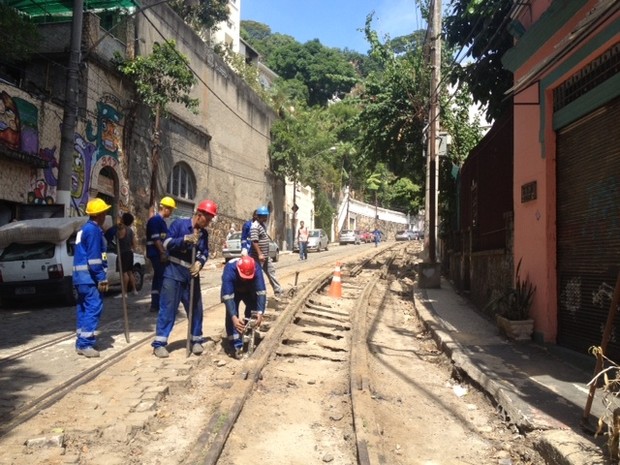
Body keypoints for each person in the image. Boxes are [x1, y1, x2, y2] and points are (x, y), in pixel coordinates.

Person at [151, 199, 217, 358]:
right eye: (207, 219)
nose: (208, 223)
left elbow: (204, 252)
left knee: (196, 308)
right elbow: (166, 243)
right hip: (173, 273)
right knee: (168, 309)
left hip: (191, 275)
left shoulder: (204, 234)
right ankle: (159, 343)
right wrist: (185, 240)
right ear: (199, 215)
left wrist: (199, 263)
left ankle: (196, 340)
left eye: (210, 220)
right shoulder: (179, 225)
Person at [73, 198, 112, 358]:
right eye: (104, 212)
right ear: (100, 214)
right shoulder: (94, 231)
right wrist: (101, 277)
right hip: (90, 279)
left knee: (83, 308)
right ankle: (86, 343)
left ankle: (81, 340)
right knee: (93, 308)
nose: (105, 215)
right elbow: (94, 258)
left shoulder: (84, 229)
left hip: (79, 278)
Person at [221, 255, 266, 359]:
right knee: (232, 315)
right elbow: (228, 297)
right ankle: (235, 345)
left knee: (253, 311)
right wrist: (234, 317)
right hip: (233, 290)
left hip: (249, 290)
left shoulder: (256, 268)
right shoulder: (229, 270)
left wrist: (260, 312)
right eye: (243, 277)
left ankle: (249, 338)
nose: (245, 279)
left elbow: (261, 292)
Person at [146, 197, 176, 312]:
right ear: (165, 208)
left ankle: (155, 304)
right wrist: (162, 253)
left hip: (157, 253)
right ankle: (160, 304)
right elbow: (156, 239)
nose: (172, 212)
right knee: (163, 278)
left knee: (158, 278)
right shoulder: (155, 221)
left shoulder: (161, 222)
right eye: (171, 209)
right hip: (156, 253)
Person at [249, 205, 284, 297]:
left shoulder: (262, 225)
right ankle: (256, 294)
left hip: (265, 256)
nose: (266, 218)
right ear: (259, 216)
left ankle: (278, 290)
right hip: (258, 257)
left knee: (271, 271)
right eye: (264, 216)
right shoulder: (255, 226)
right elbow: (254, 241)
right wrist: (260, 254)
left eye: (266, 216)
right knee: (257, 276)